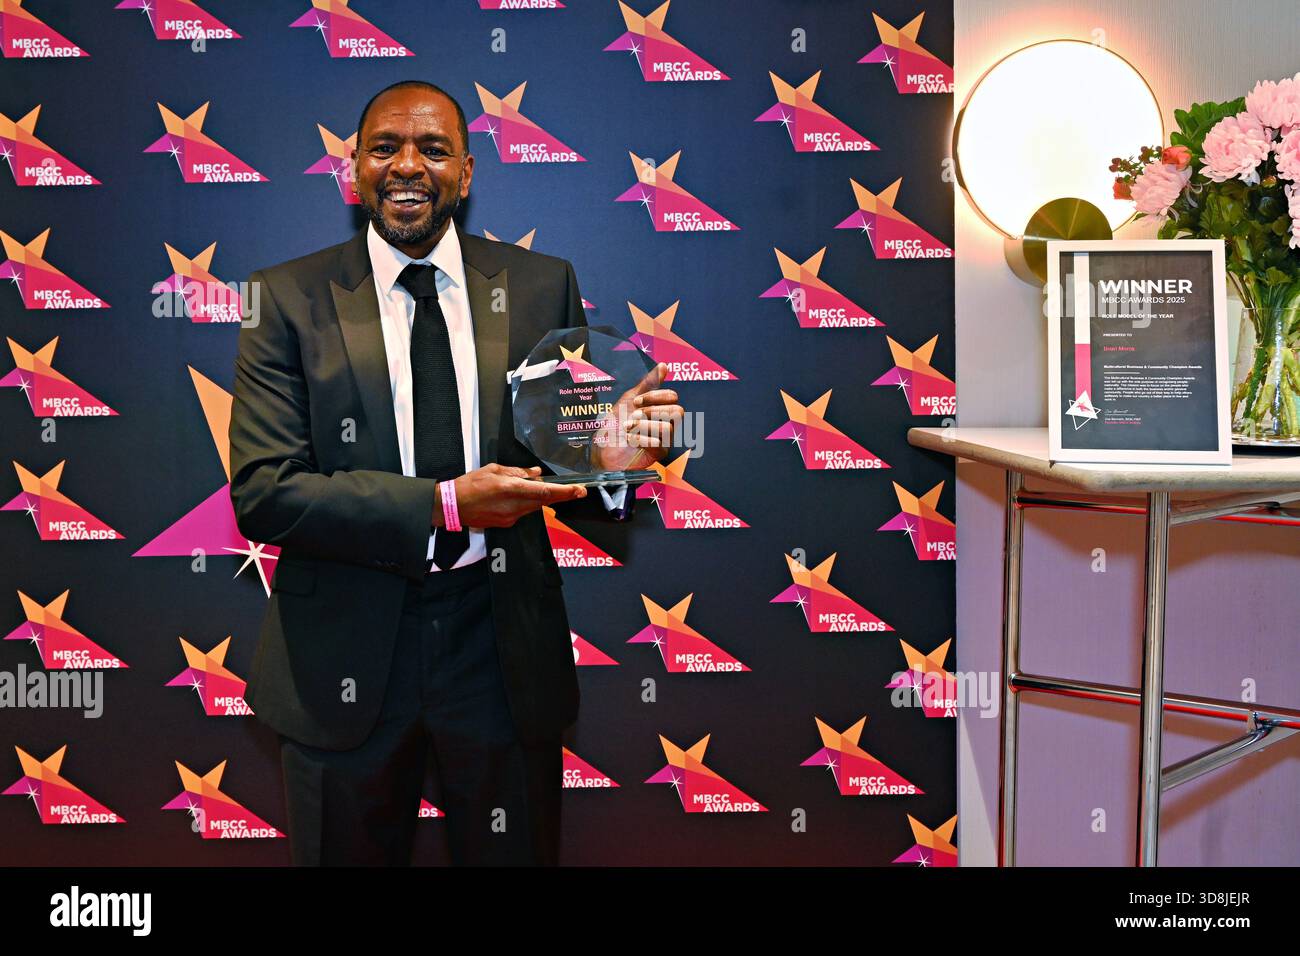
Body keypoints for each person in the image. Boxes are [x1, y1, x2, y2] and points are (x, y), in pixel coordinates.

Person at [227, 79, 682, 866]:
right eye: (385, 148)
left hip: (500, 646)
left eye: (433, 149)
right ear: (354, 169)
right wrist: (443, 505)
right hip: (342, 651)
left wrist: (610, 465)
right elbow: (266, 492)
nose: (409, 165)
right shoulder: (285, 298)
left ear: (466, 173)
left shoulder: (540, 286)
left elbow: (562, 470)